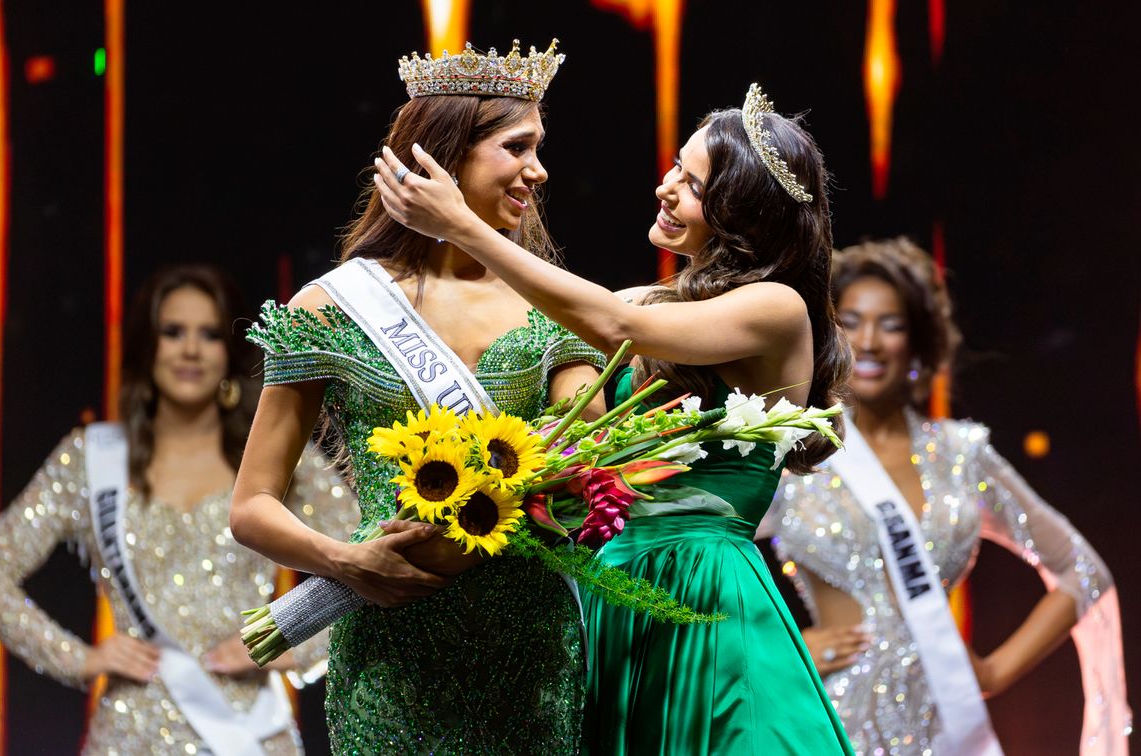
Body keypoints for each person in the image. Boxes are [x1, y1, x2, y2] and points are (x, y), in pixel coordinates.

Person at [375, 82, 854, 753]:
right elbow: (569, 320)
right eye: (675, 168)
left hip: (705, 595)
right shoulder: (657, 301)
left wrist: (462, 225)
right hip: (615, 595)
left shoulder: (777, 309)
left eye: (692, 184)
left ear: (740, 212)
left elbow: (608, 320)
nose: (666, 187)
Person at [229, 40, 606, 754]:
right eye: (518, 147)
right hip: (388, 650)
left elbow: (590, 452)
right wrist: (345, 562)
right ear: (443, 155)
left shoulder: (549, 308)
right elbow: (251, 509)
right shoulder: (334, 307)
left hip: (530, 651)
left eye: (540, 147)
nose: (539, 169)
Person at [0, 264, 358, 755]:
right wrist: (77, 658)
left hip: (249, 730)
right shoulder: (90, 458)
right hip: (130, 732)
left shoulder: (277, 458)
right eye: (173, 332)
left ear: (227, 354)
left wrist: (290, 642)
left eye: (208, 334)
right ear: (149, 347)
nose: (190, 349)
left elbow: (366, 565)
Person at [768, 238, 1130, 754]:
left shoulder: (960, 455)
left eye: (890, 324)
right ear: (829, 336)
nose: (868, 340)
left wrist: (995, 671)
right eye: (851, 320)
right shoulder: (795, 447)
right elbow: (700, 557)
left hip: (943, 726)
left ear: (917, 343)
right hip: (824, 720)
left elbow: (1084, 571)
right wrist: (781, 652)